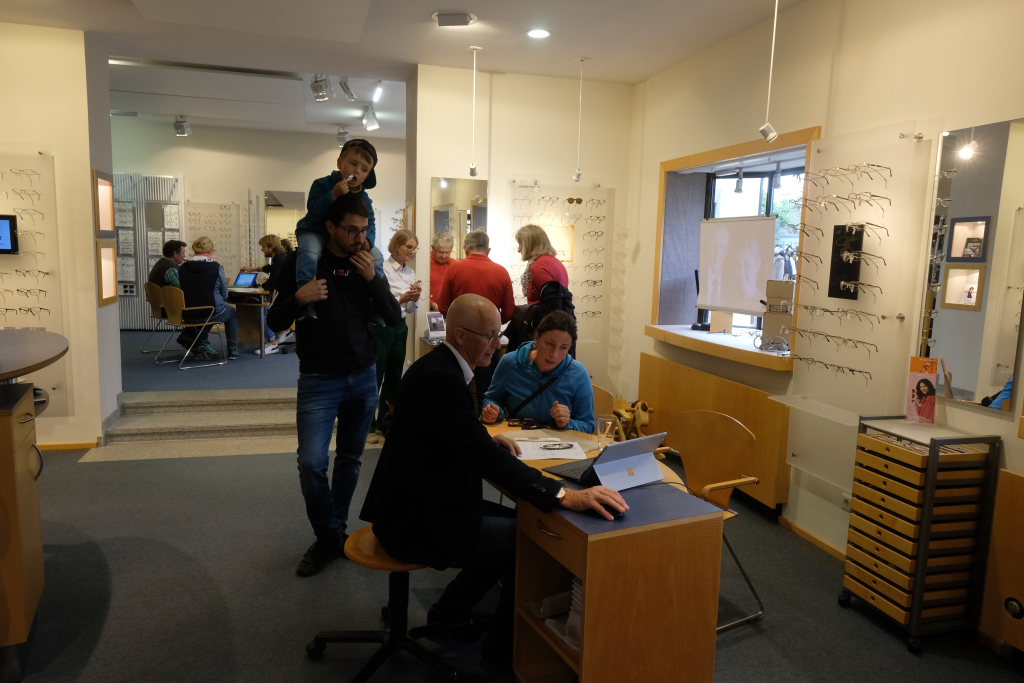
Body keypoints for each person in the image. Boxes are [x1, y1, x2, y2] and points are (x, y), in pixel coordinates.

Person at [359, 293, 626, 666]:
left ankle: (449, 612)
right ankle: (500, 652)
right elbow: (484, 460)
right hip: (415, 521)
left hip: (413, 503)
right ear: (461, 335)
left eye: (497, 335)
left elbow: (453, 435)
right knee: (526, 537)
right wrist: (563, 494)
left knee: (519, 522)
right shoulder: (442, 379)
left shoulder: (438, 368)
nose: (497, 343)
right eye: (489, 336)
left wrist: (482, 438)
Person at [267, 193, 401, 578]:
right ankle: (329, 536)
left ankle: (334, 532)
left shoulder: (367, 263)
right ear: (330, 227)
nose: (360, 238)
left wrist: (374, 279)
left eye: (364, 231)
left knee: (350, 459)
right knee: (311, 463)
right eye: (351, 231)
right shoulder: (304, 262)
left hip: (363, 378)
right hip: (318, 381)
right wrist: (299, 298)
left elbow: (393, 317)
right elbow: (274, 322)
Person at [294, 138, 384, 319]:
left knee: (377, 257)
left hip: (345, 240)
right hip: (315, 231)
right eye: (353, 164)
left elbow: (371, 222)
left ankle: (377, 300)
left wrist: (368, 240)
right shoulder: (322, 184)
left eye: (364, 169)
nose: (357, 171)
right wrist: (333, 195)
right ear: (339, 162)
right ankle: (306, 299)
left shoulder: (363, 197)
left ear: (367, 176)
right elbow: (314, 212)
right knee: (310, 252)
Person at [437, 229, 516, 407]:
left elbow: (443, 308)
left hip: (461, 341)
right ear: (488, 250)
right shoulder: (501, 272)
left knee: (455, 391)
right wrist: (493, 327)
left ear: (466, 248)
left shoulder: (454, 269)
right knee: (486, 392)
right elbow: (509, 312)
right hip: (489, 341)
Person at [481, 311, 595, 433]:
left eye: (563, 347)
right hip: (517, 437)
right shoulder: (510, 363)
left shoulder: (578, 373)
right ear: (536, 338)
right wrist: (493, 411)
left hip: (559, 442)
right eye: (550, 344)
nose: (554, 354)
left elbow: (588, 425)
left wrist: (567, 423)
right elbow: (492, 398)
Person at [371, 229, 421, 438]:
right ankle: (367, 425)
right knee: (376, 375)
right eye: (409, 247)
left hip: (400, 326)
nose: (412, 251)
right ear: (397, 245)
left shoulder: (410, 273)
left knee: (394, 376)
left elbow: (410, 309)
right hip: (382, 327)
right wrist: (401, 299)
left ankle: (385, 422)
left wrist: (414, 298)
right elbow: (378, 302)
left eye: (415, 248)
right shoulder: (382, 268)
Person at [177, 236, 239, 360]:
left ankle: (200, 340)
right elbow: (224, 292)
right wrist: (223, 300)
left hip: (188, 311)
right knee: (231, 312)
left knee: (205, 310)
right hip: (210, 310)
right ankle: (232, 350)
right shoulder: (216, 267)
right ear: (211, 250)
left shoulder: (182, 267)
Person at [243, 234, 292, 355]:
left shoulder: (280, 260)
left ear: (271, 247)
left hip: (282, 295)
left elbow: (273, 282)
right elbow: (269, 268)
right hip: (283, 294)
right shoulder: (279, 258)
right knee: (260, 310)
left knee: (260, 311)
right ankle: (284, 331)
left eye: (263, 247)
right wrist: (252, 269)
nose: (262, 249)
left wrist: (259, 286)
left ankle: (273, 342)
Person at [515, 224, 568, 305]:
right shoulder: (554, 261)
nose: (518, 250)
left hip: (547, 313)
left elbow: (552, 303)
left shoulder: (538, 266)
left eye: (520, 244)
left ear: (531, 244)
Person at [429, 231, 456, 311]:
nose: (444, 256)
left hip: (450, 310)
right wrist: (431, 303)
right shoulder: (425, 265)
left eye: (447, 252)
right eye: (441, 252)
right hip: (429, 310)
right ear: (433, 248)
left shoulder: (455, 265)